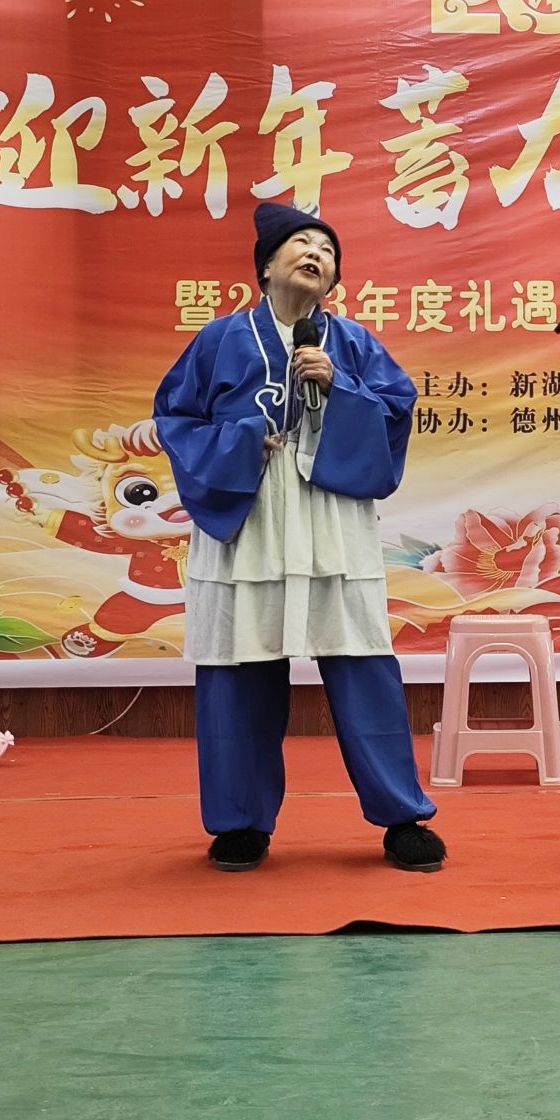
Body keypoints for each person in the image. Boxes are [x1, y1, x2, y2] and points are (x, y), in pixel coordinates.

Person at [154, 201, 445, 874]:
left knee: (361, 661)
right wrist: (239, 442)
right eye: (303, 244)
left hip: (330, 514)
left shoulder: (354, 343)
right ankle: (240, 822)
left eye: (328, 249)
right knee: (238, 669)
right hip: (248, 515)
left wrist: (342, 388)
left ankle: (401, 816)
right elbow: (176, 420)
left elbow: (397, 409)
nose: (317, 254)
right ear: (265, 266)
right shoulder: (219, 340)